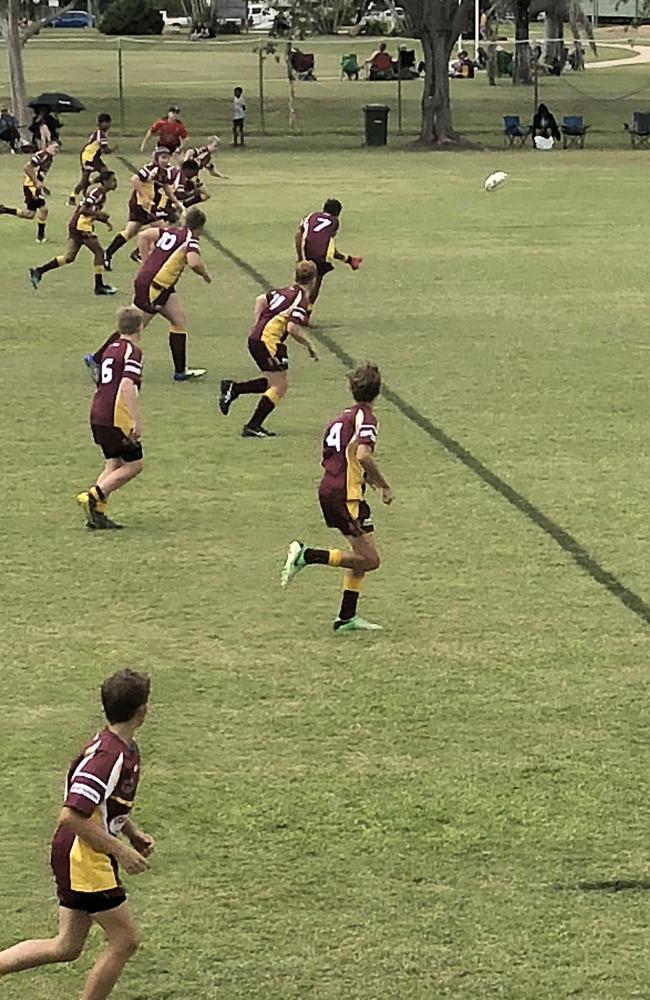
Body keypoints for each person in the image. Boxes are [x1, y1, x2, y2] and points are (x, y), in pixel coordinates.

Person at [0, 668, 153, 999]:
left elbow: (103, 805)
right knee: (125, 941)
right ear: (143, 711)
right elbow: (71, 816)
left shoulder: (124, 747)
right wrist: (121, 851)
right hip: (82, 856)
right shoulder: (106, 758)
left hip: (85, 852)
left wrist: (132, 831)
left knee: (67, 946)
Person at [281, 362, 393, 632]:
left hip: (337, 489)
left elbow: (339, 456)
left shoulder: (340, 419)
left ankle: (346, 617)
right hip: (345, 496)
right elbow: (363, 454)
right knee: (370, 560)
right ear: (378, 391)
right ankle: (307, 555)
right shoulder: (366, 418)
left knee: (361, 557)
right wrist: (384, 484)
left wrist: (364, 480)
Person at [88, 207, 211, 382]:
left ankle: (180, 371)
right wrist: (205, 275)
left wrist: (146, 263)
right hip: (154, 287)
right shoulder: (190, 239)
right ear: (199, 227)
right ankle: (98, 358)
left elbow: (144, 236)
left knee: (179, 321)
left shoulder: (172, 231)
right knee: (134, 327)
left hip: (160, 286)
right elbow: (194, 262)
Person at [219, 260, 319, 438]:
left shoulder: (285, 291)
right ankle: (252, 425)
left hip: (260, 339)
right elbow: (292, 328)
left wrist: (258, 324)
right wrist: (309, 344)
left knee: (275, 381)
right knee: (280, 385)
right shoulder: (301, 300)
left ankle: (234, 389)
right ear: (313, 280)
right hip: (267, 342)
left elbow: (260, 299)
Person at [78, 308, 144, 530]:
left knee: (114, 462)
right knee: (134, 464)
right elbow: (127, 385)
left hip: (98, 412)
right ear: (141, 327)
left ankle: (96, 515)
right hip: (115, 416)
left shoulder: (110, 349)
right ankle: (93, 497)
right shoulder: (132, 351)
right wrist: (135, 419)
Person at [29, 170, 118, 297]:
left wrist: (104, 221)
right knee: (99, 252)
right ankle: (99, 287)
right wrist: (99, 214)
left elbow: (89, 211)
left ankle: (39, 271)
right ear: (105, 181)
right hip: (81, 226)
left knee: (68, 257)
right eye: (113, 180)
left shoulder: (101, 194)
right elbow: (83, 210)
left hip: (76, 225)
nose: (115, 183)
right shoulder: (97, 193)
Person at [103, 148, 182, 270]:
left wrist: (176, 203)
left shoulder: (163, 172)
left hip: (144, 205)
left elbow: (166, 187)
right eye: (163, 158)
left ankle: (108, 254)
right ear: (157, 158)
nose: (165, 161)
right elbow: (134, 179)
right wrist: (144, 196)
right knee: (163, 229)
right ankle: (146, 256)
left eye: (167, 158)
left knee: (130, 232)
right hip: (141, 205)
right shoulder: (151, 168)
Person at [296, 198, 362, 308]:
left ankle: (290, 304)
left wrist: (300, 257)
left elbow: (298, 234)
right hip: (321, 255)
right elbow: (326, 246)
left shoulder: (311, 216)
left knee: (301, 280)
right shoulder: (334, 222)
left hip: (305, 248)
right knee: (316, 281)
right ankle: (306, 312)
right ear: (337, 213)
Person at [0, 140, 59, 243]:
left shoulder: (49, 158)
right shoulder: (42, 155)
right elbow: (27, 167)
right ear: (48, 146)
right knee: (44, 209)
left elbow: (39, 173)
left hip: (34, 186)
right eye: (55, 147)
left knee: (30, 214)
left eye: (58, 148)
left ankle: (4, 210)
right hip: (31, 186)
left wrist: (43, 187)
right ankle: (40, 238)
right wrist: (36, 182)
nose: (57, 150)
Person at [69, 113, 114, 206]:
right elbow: (105, 149)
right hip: (88, 157)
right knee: (85, 178)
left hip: (95, 157)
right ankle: (72, 197)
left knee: (104, 173)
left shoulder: (101, 133)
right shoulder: (100, 134)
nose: (109, 125)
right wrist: (112, 150)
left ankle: (89, 189)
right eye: (108, 123)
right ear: (102, 123)